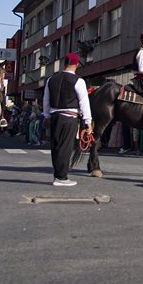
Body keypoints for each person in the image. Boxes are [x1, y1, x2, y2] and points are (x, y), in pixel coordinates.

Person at [42, 52, 92, 186]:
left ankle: (57, 174)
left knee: (56, 146)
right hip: (69, 117)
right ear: (76, 65)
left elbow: (46, 100)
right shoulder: (78, 81)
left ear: (65, 63)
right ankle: (61, 177)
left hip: (54, 116)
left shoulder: (51, 79)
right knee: (66, 147)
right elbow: (84, 102)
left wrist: (46, 116)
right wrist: (88, 122)